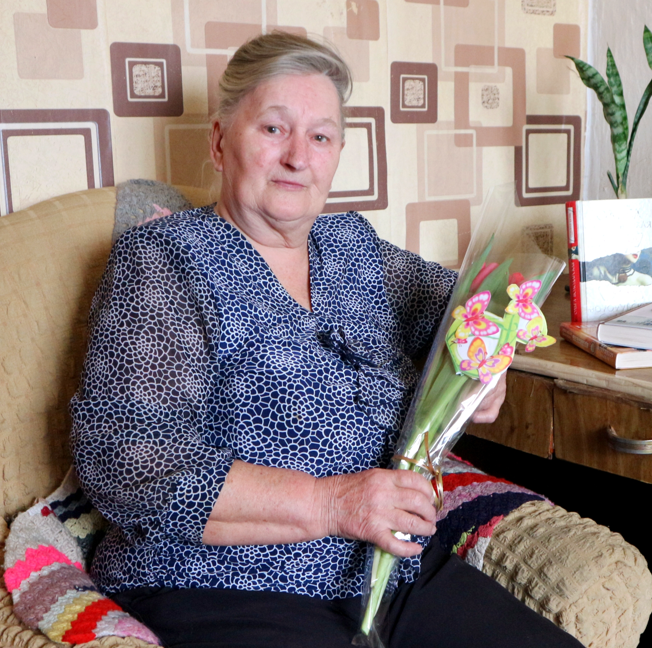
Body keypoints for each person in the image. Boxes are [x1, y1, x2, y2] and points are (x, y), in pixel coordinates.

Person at [71, 31, 582, 648]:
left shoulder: (353, 248)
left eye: (320, 137)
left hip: (389, 572)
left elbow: (470, 304)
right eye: (273, 129)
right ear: (219, 141)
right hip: (219, 584)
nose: (298, 157)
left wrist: (482, 364)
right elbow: (130, 465)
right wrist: (333, 504)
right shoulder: (164, 260)